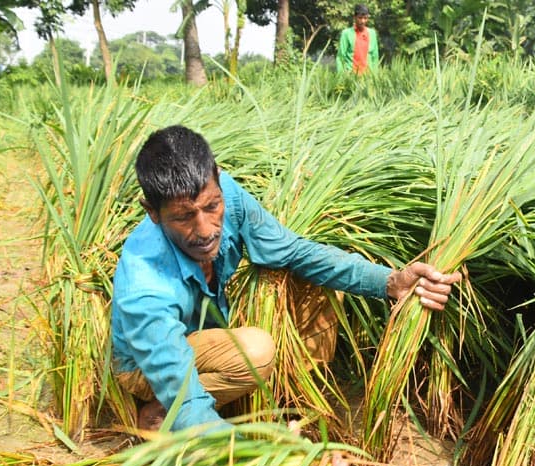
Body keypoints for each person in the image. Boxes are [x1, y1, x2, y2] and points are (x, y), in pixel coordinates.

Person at [111, 125, 461, 440]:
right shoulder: (146, 286)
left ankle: (286, 397)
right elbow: (180, 382)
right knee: (255, 352)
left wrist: (390, 281)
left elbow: (293, 252)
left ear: (217, 179)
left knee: (318, 288)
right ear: (152, 212)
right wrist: (271, 462)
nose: (205, 230)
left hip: (205, 332)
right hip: (148, 364)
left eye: (211, 207)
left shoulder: (225, 192)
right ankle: (159, 413)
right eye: (184, 217)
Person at [336, 4, 379, 75]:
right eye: (360, 18)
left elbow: (375, 57)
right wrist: (342, 76)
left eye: (365, 18)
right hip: (351, 77)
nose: (363, 21)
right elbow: (340, 57)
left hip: (368, 77)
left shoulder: (372, 33)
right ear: (354, 17)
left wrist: (375, 76)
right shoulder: (346, 33)